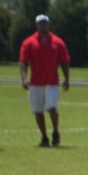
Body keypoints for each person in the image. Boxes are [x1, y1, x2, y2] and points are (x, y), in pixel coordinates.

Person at [19, 13, 71, 147]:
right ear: (36, 26)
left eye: (45, 23)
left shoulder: (57, 42)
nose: (43, 26)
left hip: (51, 82)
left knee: (52, 108)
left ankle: (55, 131)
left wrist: (66, 78)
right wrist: (24, 78)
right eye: (40, 24)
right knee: (38, 110)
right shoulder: (29, 42)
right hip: (35, 82)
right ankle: (44, 136)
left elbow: (64, 61)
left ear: (48, 25)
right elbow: (23, 61)